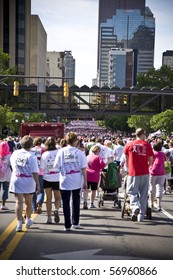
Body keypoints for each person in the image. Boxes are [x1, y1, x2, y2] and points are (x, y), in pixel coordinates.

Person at [54, 132, 87, 231]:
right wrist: (85, 181)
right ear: (76, 141)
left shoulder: (61, 151)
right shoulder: (80, 153)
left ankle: (67, 225)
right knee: (76, 202)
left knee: (66, 203)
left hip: (65, 180)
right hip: (77, 180)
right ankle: (75, 222)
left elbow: (56, 167)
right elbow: (83, 169)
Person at [9, 135, 40, 232]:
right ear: (31, 145)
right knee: (28, 202)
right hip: (28, 181)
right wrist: (38, 184)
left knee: (18, 202)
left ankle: (19, 223)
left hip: (17, 179)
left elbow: (12, 165)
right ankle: (28, 219)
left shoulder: (15, 153)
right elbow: (34, 171)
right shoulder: (32, 156)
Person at [124, 128, 154, 222]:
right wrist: (147, 166)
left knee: (132, 192)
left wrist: (128, 167)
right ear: (143, 134)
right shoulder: (147, 144)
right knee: (143, 194)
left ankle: (135, 207)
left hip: (133, 172)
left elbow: (126, 158)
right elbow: (150, 159)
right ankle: (141, 216)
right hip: (144, 172)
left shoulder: (129, 144)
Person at [40, 137, 61, 224]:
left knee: (48, 198)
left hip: (47, 178)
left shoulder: (45, 154)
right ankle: (56, 209)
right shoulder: (59, 152)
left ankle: (49, 217)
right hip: (57, 178)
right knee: (58, 197)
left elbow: (41, 168)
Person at [83, 145, 106, 209]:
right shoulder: (98, 157)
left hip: (87, 174)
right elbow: (102, 165)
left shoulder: (87, 156)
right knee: (93, 190)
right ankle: (91, 203)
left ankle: (85, 201)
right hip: (95, 175)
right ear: (98, 151)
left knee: (86, 189)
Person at [149, 141, 166, 211]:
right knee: (160, 188)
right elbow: (165, 160)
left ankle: (151, 202)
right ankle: (159, 205)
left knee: (152, 187)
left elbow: (149, 162)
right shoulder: (163, 154)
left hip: (152, 172)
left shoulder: (152, 153)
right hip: (161, 173)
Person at [31, 137, 45, 214]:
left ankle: (34, 208)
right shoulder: (43, 149)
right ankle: (39, 201)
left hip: (33, 172)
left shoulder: (32, 150)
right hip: (41, 172)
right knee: (41, 189)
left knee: (33, 190)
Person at [0, 141, 12, 210]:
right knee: (5, 189)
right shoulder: (9, 156)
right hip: (7, 174)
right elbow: (11, 165)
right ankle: (3, 205)